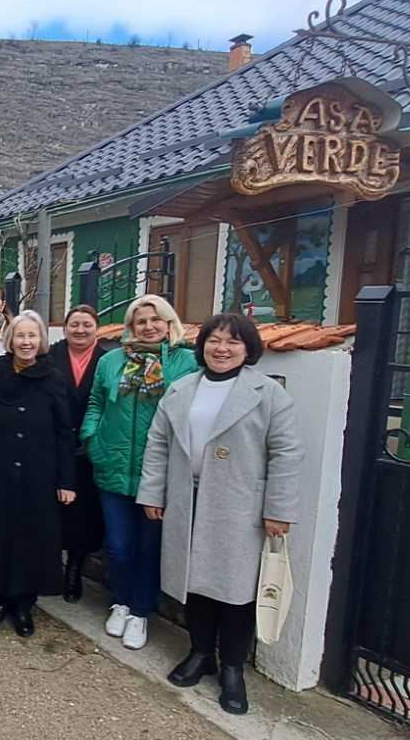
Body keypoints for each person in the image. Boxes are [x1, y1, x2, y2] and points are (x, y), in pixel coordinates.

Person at [137, 313, 302, 714]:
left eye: (232, 341)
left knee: (235, 590)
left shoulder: (267, 394)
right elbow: (158, 445)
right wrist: (153, 493)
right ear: (202, 345)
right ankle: (200, 653)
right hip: (187, 499)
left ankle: (232, 667)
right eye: (214, 340)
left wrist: (278, 509)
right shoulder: (181, 390)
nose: (221, 348)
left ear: (248, 349)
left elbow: (286, 453)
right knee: (194, 583)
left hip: (239, 505)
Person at [80, 294, 198, 651]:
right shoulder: (112, 360)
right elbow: (96, 403)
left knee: (149, 548)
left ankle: (141, 611)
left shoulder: (186, 362)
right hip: (113, 465)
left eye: (155, 320)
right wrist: (92, 440)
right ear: (131, 326)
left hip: (158, 472)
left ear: (168, 322)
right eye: (140, 321)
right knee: (119, 546)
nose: (148, 327)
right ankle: (120, 601)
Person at [0, 311, 76, 636]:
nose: (26, 342)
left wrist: (66, 480)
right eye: (20, 336)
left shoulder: (53, 377)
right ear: (10, 340)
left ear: (40, 340)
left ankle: (25, 605)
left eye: (32, 335)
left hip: (38, 473)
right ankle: (0, 599)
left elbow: (64, 432)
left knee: (32, 538)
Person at [47, 305, 109, 602]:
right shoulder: (51, 356)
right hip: (53, 445)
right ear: (65, 328)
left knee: (83, 515)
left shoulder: (107, 360)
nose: (80, 330)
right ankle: (50, 567)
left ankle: (74, 569)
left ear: (96, 328)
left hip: (89, 448)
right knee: (52, 511)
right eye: (75, 324)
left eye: (87, 325)